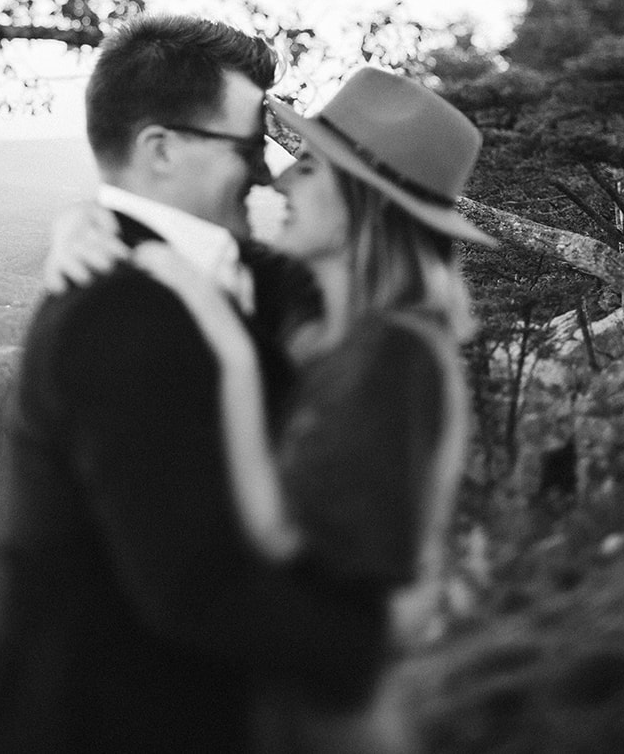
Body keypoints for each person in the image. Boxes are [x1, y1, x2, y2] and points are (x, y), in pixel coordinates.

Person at [0, 16, 392, 754]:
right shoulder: (116, 312)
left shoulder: (238, 270)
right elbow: (194, 585)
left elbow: (350, 278)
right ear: (160, 148)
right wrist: (371, 637)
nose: (264, 172)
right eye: (248, 146)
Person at [47, 65, 494, 752]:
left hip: (332, 709)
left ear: (362, 203)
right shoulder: (331, 324)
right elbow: (228, 256)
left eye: (309, 168)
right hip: (289, 690)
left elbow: (282, 535)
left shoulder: (394, 354)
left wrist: (221, 343)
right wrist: (93, 219)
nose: (279, 181)